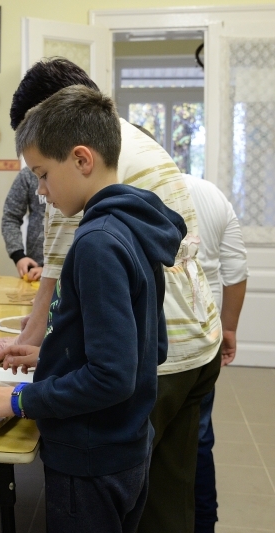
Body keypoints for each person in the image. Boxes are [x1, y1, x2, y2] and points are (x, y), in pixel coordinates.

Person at [0, 58, 222, 533]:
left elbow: (107, 369)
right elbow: (150, 347)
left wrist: (25, 397)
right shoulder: (131, 213)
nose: (40, 191)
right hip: (150, 404)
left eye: (42, 174)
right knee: (170, 503)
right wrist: (52, 348)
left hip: (92, 451)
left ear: (78, 153)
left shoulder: (96, 236)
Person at [181, 174, 248, 533]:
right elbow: (235, 272)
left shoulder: (129, 187)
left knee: (149, 439)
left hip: (156, 342)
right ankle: (203, 523)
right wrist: (230, 327)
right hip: (204, 337)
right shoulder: (211, 193)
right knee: (199, 436)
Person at [1, 166, 46, 280]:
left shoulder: (75, 171)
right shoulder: (27, 174)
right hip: (35, 269)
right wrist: (18, 256)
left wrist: (51, 269)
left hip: (71, 269)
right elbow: (10, 217)